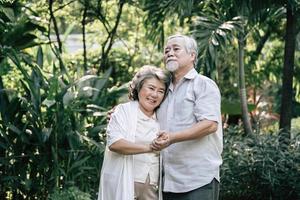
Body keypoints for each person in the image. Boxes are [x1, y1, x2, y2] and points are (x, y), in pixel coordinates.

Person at [152, 34, 223, 200]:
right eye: (166, 50)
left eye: (176, 49)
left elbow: (210, 124)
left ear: (192, 56)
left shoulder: (203, 84)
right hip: (167, 181)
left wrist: (172, 137)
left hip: (198, 179)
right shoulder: (162, 91)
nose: (169, 53)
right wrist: (121, 113)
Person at [98, 65, 170, 200]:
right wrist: (150, 147)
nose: (155, 95)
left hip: (151, 186)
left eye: (161, 91)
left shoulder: (163, 118)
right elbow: (115, 143)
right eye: (151, 88)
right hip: (124, 180)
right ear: (138, 87)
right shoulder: (123, 111)